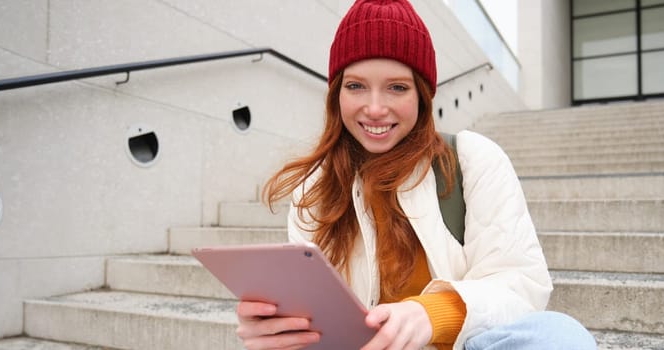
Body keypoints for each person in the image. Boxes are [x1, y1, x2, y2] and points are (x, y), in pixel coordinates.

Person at [238, 0, 598, 349]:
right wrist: (280, 331)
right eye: (356, 86)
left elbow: (522, 287)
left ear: (423, 95)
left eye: (397, 87)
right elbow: (318, 316)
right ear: (336, 94)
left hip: (465, 345)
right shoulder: (313, 190)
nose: (375, 108)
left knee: (560, 335)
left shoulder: (472, 160)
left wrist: (431, 315)